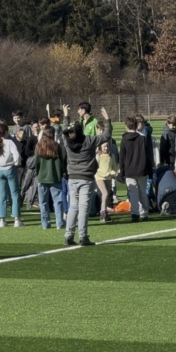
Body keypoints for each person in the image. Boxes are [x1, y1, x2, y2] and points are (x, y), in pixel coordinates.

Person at [62, 105, 112, 246]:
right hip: (86, 178)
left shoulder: (67, 142)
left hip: (72, 178)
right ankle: (83, 237)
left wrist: (66, 116)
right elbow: (106, 136)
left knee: (73, 207)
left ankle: (68, 236)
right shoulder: (89, 141)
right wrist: (107, 120)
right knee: (84, 208)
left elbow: (64, 131)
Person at [0, 119, 25, 227]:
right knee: (14, 194)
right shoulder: (10, 142)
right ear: (6, 132)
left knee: (2, 195)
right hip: (10, 169)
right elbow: (16, 156)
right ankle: (17, 219)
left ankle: (2, 220)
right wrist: (16, 163)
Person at [120, 116, 152, 222]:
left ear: (126, 126)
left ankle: (135, 213)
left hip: (129, 170)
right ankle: (144, 212)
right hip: (142, 169)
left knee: (133, 192)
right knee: (143, 192)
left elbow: (122, 157)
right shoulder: (143, 139)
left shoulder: (124, 139)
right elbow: (148, 157)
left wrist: (122, 171)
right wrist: (150, 170)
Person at [35, 127, 66, 229]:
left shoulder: (39, 146)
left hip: (42, 177)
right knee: (58, 201)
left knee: (43, 202)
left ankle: (45, 223)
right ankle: (60, 222)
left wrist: (38, 173)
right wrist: (61, 173)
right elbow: (62, 161)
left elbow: (36, 163)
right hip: (55, 176)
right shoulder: (57, 146)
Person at [94, 138, 119, 223]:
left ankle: (104, 212)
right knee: (105, 193)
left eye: (108, 146)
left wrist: (117, 172)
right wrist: (110, 172)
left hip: (108, 178)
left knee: (106, 195)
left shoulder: (111, 156)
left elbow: (115, 167)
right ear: (100, 147)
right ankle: (102, 213)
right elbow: (98, 169)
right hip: (100, 177)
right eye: (104, 146)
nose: (106, 148)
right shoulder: (98, 156)